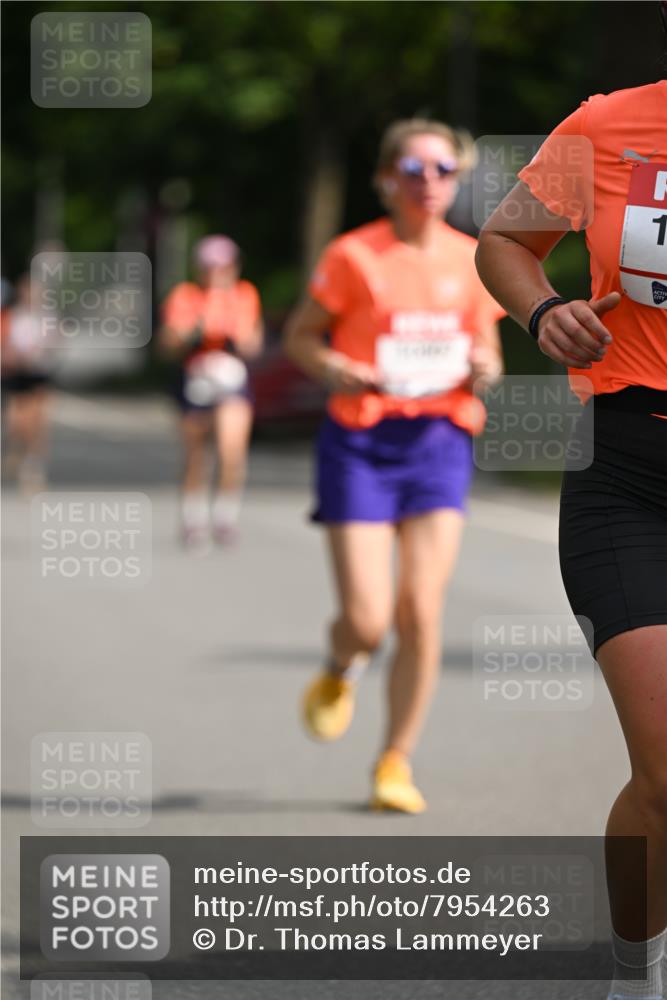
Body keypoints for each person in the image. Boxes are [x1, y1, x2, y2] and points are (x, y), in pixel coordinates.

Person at [475, 59, 667, 1000]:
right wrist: (543, 310)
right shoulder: (604, 126)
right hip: (628, 472)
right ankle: (636, 975)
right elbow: (504, 243)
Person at [284, 118, 505, 814]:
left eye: (443, 170)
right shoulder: (354, 255)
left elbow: (489, 354)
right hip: (360, 444)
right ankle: (339, 663)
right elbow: (299, 338)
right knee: (369, 617)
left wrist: (482, 369)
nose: (429, 182)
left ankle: (394, 761)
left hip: (438, 441)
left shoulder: (475, 258)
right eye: (413, 170)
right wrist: (333, 366)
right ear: (385, 180)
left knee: (420, 610)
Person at [159, 236, 263, 548]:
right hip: (196, 380)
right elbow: (167, 344)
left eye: (225, 265)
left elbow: (252, 344)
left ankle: (225, 516)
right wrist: (195, 330)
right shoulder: (185, 296)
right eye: (211, 266)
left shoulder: (245, 295)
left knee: (232, 451)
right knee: (196, 454)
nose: (218, 272)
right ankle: (193, 518)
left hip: (231, 380)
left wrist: (232, 332)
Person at [1, 273, 53, 493]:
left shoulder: (46, 318)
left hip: (37, 374)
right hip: (14, 374)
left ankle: (33, 467)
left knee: (35, 423)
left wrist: (37, 352)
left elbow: (54, 343)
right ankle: (17, 451)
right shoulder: (12, 316)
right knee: (15, 422)